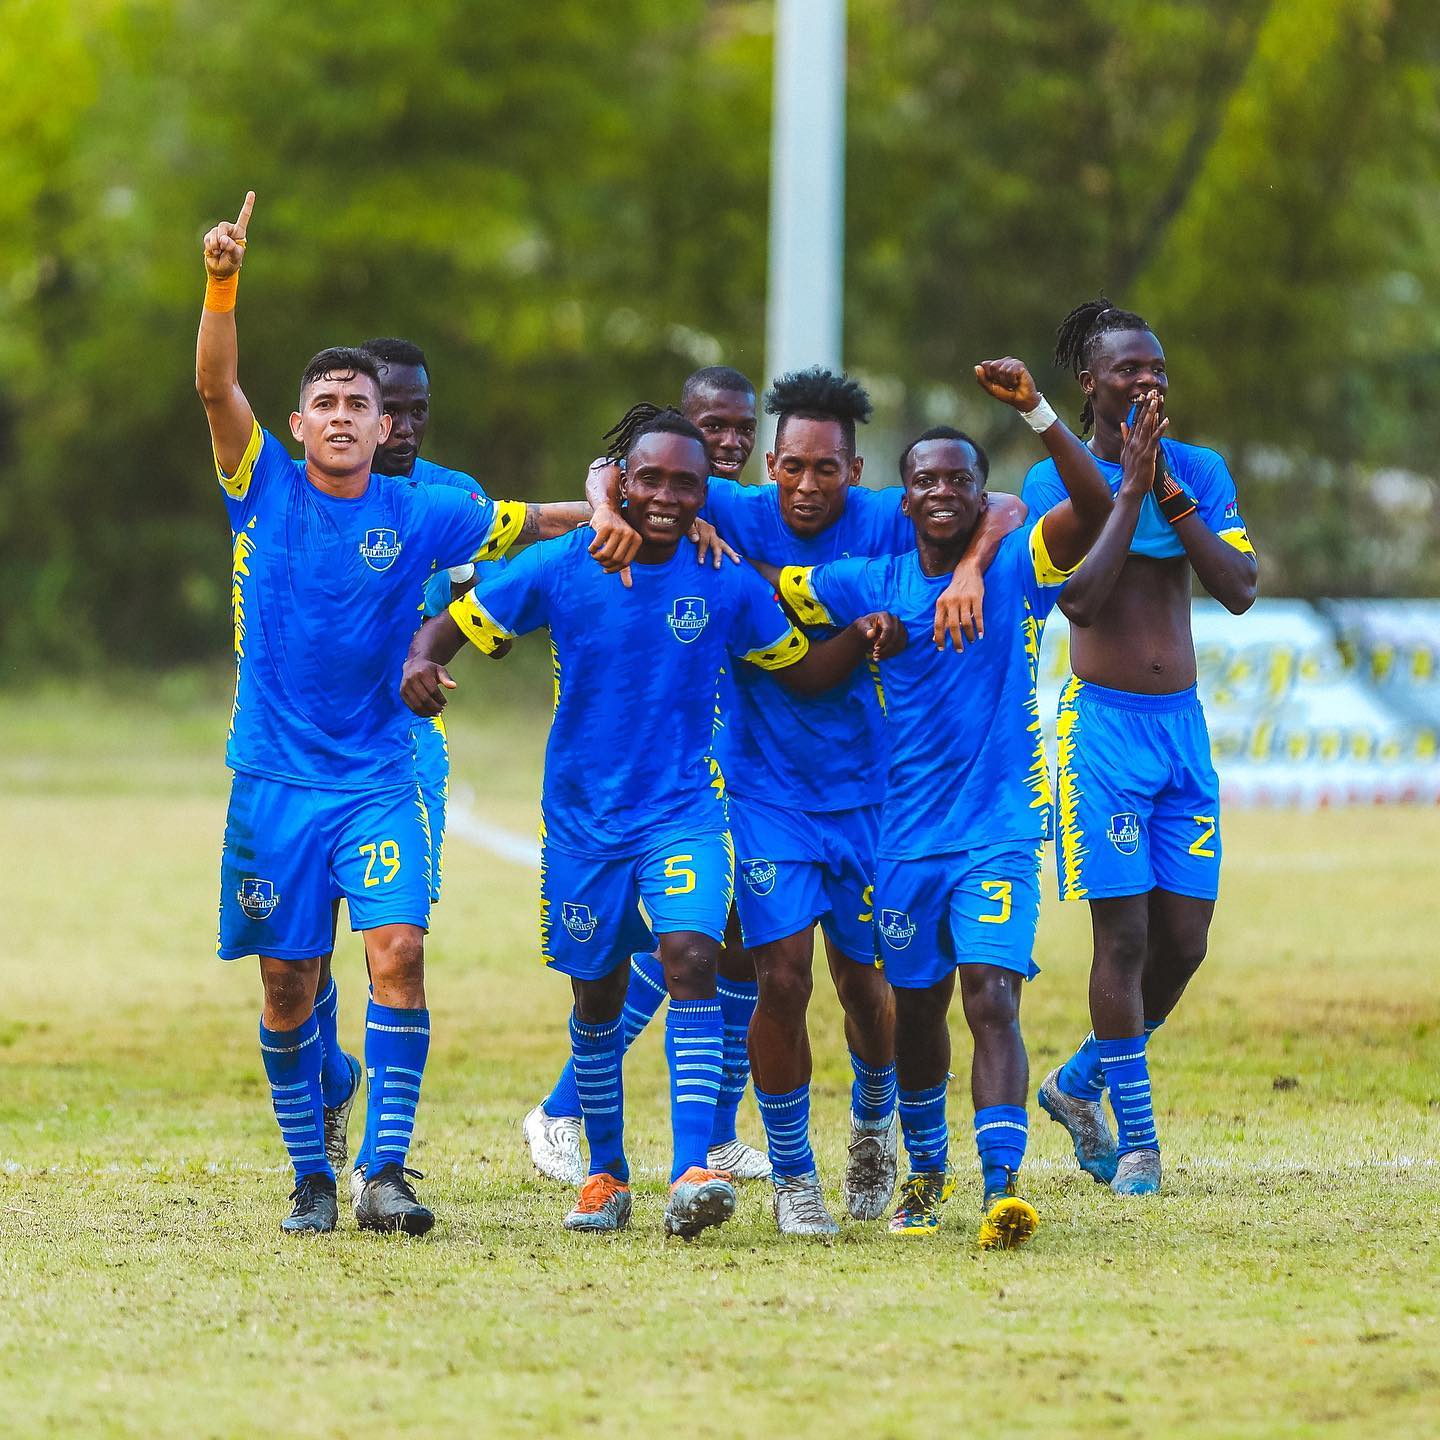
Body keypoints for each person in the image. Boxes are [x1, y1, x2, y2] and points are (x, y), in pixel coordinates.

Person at [401, 406, 905, 1236]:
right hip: (582, 825)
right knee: (596, 999)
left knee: (693, 957)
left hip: (687, 814)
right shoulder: (567, 564)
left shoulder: (724, 576)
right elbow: (457, 625)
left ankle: (692, 1169)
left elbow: (804, 673)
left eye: (685, 482)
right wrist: (421, 663)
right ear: (620, 481)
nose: (667, 494)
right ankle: (604, 1176)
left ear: (706, 494)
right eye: (651, 478)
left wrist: (861, 635)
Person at [196, 193, 573, 1237]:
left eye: (366, 403)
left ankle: (385, 1173)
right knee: (288, 983)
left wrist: (632, 502)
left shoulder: (424, 507)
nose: (352, 415)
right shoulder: (263, 484)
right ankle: (310, 1170)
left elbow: (536, 521)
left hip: (383, 775)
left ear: (381, 422)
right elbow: (215, 380)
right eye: (331, 400)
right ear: (303, 421)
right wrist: (222, 280)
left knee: (397, 952)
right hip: (274, 779)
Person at [584, 370, 1027, 1236]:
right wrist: (605, 509)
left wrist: (972, 561)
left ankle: (872, 1123)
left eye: (827, 469)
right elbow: (614, 475)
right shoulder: (734, 509)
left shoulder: (889, 519)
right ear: (771, 466)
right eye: (791, 466)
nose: (807, 484)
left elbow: (1001, 501)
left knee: (868, 989)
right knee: (779, 979)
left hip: (878, 798)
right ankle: (794, 1179)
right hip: (763, 792)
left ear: (857, 473)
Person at [771, 358, 1142, 1247]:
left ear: (984, 497)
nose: (942, 492)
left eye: (960, 481)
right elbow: (773, 596)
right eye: (926, 481)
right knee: (921, 1014)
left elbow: (1092, 509)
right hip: (900, 843)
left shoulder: (1015, 568)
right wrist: (858, 635)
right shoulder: (872, 583)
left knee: (991, 999)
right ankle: (928, 1176)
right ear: (904, 500)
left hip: (999, 833)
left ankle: (1002, 1188)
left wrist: (1040, 413)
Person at [522, 366, 775, 1189]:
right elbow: (605, 476)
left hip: (742, 749)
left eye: (742, 428)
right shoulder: (648, 501)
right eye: (715, 425)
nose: (730, 440)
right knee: (682, 947)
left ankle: (713, 1136)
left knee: (726, 945)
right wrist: (601, 507)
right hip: (663, 758)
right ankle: (568, 1109)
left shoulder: (738, 509)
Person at [1027, 298, 1258, 1198]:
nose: (1149, 380)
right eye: (1130, 368)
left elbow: (1238, 586)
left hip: (1181, 732)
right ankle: (1139, 1148)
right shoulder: (1060, 480)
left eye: (1158, 368)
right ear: (1089, 383)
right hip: (1104, 734)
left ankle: (1079, 1082)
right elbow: (1077, 601)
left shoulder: (1198, 469)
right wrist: (1122, 486)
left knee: (1186, 943)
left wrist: (1165, 486)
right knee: (1121, 938)